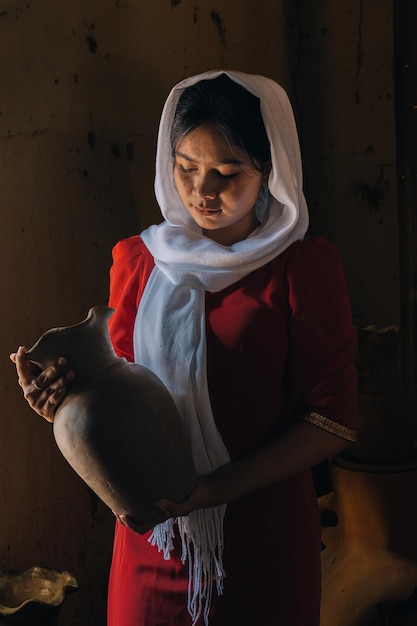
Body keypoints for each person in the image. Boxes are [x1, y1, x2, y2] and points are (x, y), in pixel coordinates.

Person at [11, 70, 357, 626]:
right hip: (156, 537)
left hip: (260, 534)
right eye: (186, 167)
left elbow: (330, 422)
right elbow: (122, 387)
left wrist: (210, 491)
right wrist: (61, 403)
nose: (202, 191)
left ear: (270, 171)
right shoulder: (139, 261)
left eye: (226, 172)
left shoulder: (300, 269)